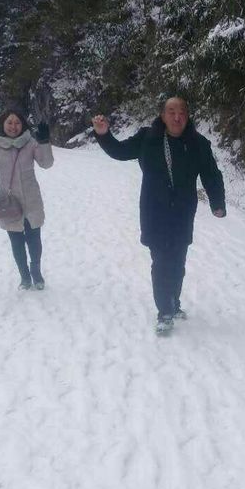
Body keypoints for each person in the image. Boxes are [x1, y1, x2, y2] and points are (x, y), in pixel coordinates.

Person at [92, 96, 226, 334]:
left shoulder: (198, 143)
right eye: (171, 112)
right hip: (154, 211)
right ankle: (164, 311)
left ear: (187, 116)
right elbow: (120, 151)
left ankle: (174, 302)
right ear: (163, 116)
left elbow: (211, 174)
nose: (177, 117)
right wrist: (104, 135)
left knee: (178, 262)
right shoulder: (148, 138)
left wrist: (217, 202)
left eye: (182, 112)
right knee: (162, 262)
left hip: (183, 213)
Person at [0, 106, 54, 290]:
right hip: (8, 202)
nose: (13, 126)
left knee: (34, 240)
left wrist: (44, 142)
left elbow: (46, 163)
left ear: (22, 124)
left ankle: (36, 271)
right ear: (3, 123)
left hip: (31, 200)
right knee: (16, 242)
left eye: (17, 123)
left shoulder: (30, 142)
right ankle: (24, 276)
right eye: (9, 122)